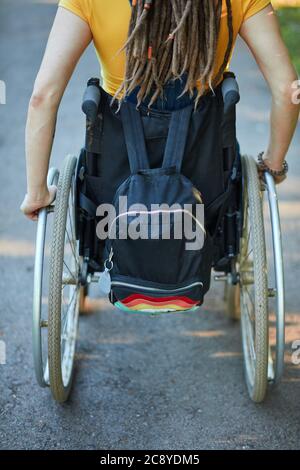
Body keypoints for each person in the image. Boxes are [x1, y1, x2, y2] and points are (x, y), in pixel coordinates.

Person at [20, 0, 299, 220]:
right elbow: (289, 92)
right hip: (207, 193)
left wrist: (37, 193)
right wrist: (273, 167)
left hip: (113, 195)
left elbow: (43, 97)